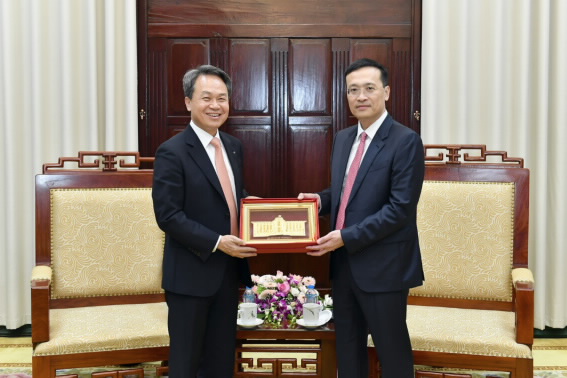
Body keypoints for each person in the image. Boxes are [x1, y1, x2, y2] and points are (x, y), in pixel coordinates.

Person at [298, 58, 425, 378]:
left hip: (384, 266)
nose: (361, 96)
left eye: (369, 88)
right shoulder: (343, 139)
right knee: (348, 350)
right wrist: (320, 201)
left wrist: (346, 236)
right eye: (353, 90)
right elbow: (347, 191)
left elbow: (400, 208)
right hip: (343, 264)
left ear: (386, 92)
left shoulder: (405, 140)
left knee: (392, 352)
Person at [152, 64, 257, 377]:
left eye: (222, 98)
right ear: (188, 102)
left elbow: (229, 197)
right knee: (186, 364)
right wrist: (217, 242)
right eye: (206, 98)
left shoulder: (233, 147)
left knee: (221, 361)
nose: (215, 105)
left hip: (226, 273)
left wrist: (256, 210)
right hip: (190, 275)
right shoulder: (171, 152)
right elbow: (168, 215)